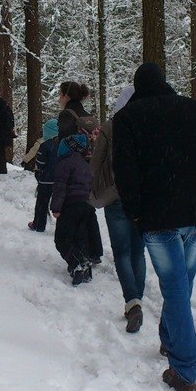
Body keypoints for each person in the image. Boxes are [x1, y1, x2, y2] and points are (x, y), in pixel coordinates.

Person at [112, 63, 196, 391]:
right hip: (195, 216)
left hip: (158, 218)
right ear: (165, 84)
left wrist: (136, 212)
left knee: (176, 289)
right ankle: (170, 340)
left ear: (137, 89)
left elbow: (124, 173)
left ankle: (184, 370)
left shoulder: (128, 119)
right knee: (182, 286)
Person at [90, 85, 145, 334]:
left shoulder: (111, 126)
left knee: (122, 253)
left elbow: (96, 161)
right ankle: (138, 300)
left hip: (115, 196)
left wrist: (93, 190)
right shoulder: (148, 123)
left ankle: (132, 303)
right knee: (138, 253)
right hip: (143, 198)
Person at [55, 81, 103, 264]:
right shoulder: (89, 116)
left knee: (72, 216)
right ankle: (95, 251)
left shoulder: (67, 115)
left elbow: (65, 145)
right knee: (88, 212)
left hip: (74, 172)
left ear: (66, 95)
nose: (59, 98)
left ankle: (79, 256)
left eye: (60, 94)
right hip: (91, 170)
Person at [51, 132, 95, 286]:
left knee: (62, 238)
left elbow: (60, 187)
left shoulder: (64, 163)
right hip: (86, 205)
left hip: (70, 205)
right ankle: (86, 267)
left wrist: (56, 207)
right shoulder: (84, 163)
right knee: (80, 237)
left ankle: (77, 263)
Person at [28, 118, 59, 232]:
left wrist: (38, 173)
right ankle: (62, 226)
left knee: (42, 203)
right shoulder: (63, 144)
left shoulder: (45, 146)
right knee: (61, 204)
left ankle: (39, 224)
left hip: (46, 180)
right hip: (60, 180)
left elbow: (40, 163)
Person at [0, 90, 15, 175]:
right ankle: (2, 170)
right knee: (0, 153)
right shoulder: (6, 106)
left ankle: (2, 170)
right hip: (4, 134)